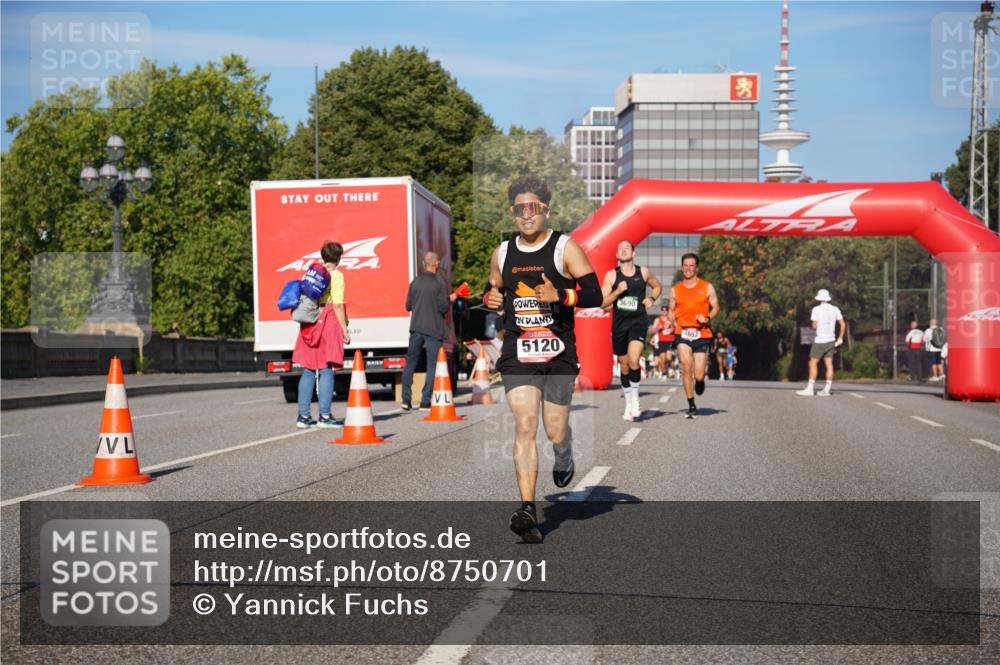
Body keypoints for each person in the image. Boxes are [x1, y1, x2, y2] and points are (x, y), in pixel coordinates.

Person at [484, 174, 602, 544]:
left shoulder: (564, 247)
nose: (526, 215)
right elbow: (494, 289)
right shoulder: (502, 253)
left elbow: (595, 294)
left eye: (533, 208)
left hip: (558, 354)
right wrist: (492, 300)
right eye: (519, 209)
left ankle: (563, 453)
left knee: (554, 430)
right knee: (525, 424)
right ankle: (528, 510)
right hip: (518, 352)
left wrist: (561, 295)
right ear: (512, 213)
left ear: (546, 210)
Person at [601, 240, 662, 421]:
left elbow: (657, 286)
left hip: (638, 322)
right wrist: (617, 291)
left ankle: (635, 402)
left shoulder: (643, 272)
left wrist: (651, 298)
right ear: (617, 255)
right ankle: (628, 402)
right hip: (619, 325)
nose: (623, 249)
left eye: (627, 247)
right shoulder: (611, 276)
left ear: (633, 253)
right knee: (625, 364)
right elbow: (603, 303)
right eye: (620, 248)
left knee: (634, 359)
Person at [293, 242, 349, 428]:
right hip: (328, 319)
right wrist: (344, 330)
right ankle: (324, 416)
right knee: (326, 369)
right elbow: (338, 304)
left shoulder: (309, 273)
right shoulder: (337, 275)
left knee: (309, 370)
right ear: (338, 258)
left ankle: (303, 416)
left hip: (309, 322)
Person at [401, 251, 456, 411]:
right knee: (432, 364)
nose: (439, 264)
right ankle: (425, 401)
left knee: (410, 363)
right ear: (435, 264)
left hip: (416, 328)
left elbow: (408, 306)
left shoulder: (415, 282)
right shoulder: (439, 283)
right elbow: (443, 307)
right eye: (438, 262)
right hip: (433, 329)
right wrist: (449, 299)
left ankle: (406, 400)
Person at [669, 253, 720, 419]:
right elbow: (671, 310)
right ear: (682, 267)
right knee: (686, 367)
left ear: (696, 268)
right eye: (685, 265)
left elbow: (716, 307)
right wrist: (672, 322)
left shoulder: (706, 287)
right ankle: (691, 404)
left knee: (698, 374)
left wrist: (707, 318)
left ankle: (700, 381)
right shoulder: (675, 290)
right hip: (682, 332)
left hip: (702, 333)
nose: (688, 268)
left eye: (691, 265)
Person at [796, 288, 844, 396]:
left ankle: (810, 389)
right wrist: (840, 338)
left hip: (819, 340)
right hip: (831, 340)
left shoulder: (816, 309)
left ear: (819, 298)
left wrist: (815, 325)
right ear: (828, 298)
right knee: (829, 364)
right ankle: (826, 390)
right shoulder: (835, 309)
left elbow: (814, 325)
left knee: (813, 363)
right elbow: (842, 324)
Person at [650, 306, 676, 381]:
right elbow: (652, 330)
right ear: (661, 311)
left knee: (668, 358)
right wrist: (658, 328)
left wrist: (672, 329)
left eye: (665, 310)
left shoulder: (671, 319)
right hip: (661, 341)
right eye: (662, 310)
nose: (664, 312)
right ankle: (664, 374)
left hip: (670, 341)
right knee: (662, 360)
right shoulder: (658, 320)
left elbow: (677, 327)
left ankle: (671, 367)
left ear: (668, 311)